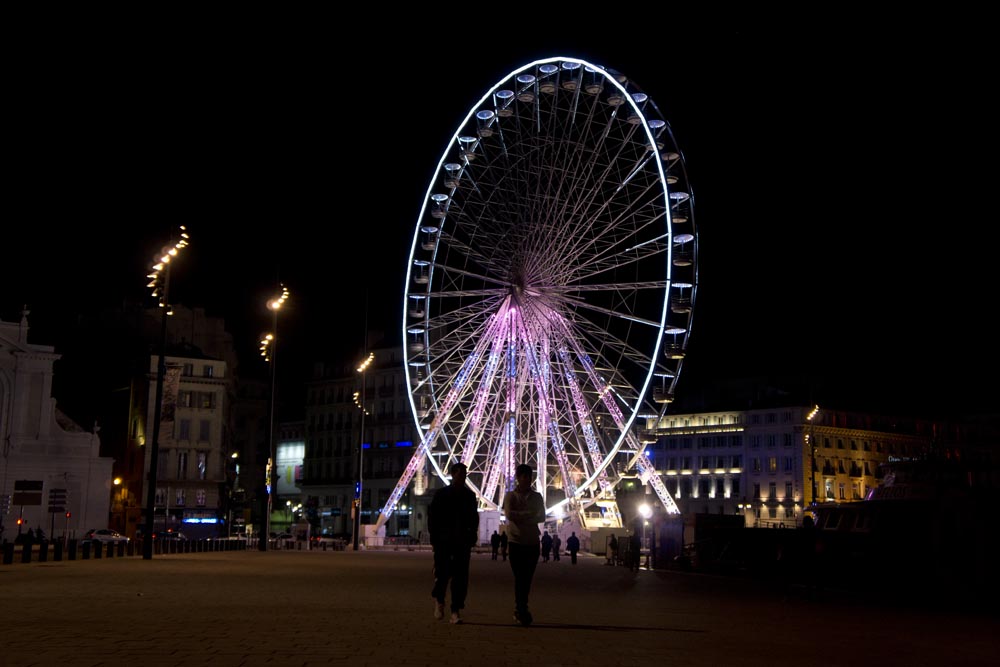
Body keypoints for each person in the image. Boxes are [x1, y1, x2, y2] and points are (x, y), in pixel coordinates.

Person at [428, 461, 480, 624]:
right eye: (460, 474)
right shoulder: (441, 494)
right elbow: (433, 517)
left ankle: (455, 609)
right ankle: (440, 600)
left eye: (464, 475)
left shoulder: (469, 496)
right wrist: (435, 538)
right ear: (453, 475)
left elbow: (474, 518)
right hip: (444, 541)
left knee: (460, 577)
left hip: (461, 542)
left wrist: (471, 536)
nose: (463, 477)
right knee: (442, 574)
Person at [502, 462, 546, 626]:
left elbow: (541, 516)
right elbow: (509, 514)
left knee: (526, 578)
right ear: (518, 478)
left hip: (532, 542)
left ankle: (521, 608)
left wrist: (521, 516)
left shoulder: (537, 497)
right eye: (525, 476)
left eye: (530, 477)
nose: (528, 479)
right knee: (520, 577)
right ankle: (521, 608)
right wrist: (530, 514)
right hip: (516, 542)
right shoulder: (510, 496)